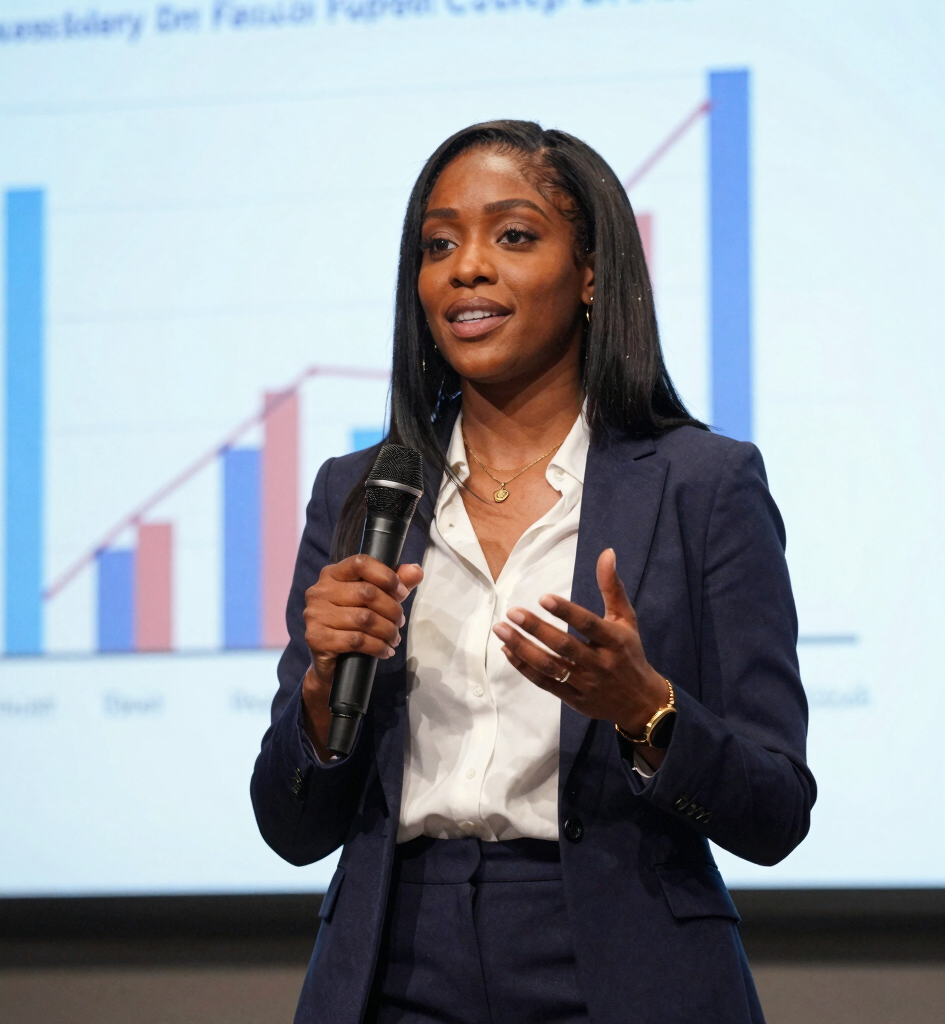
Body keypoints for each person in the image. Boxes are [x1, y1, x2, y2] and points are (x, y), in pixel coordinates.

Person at [251, 120, 815, 1024]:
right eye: (439, 245)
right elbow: (291, 828)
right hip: (395, 960)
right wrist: (322, 692)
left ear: (591, 273)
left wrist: (646, 710)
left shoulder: (704, 486)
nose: (467, 268)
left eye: (513, 235)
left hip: (620, 960)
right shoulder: (362, 493)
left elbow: (776, 810)